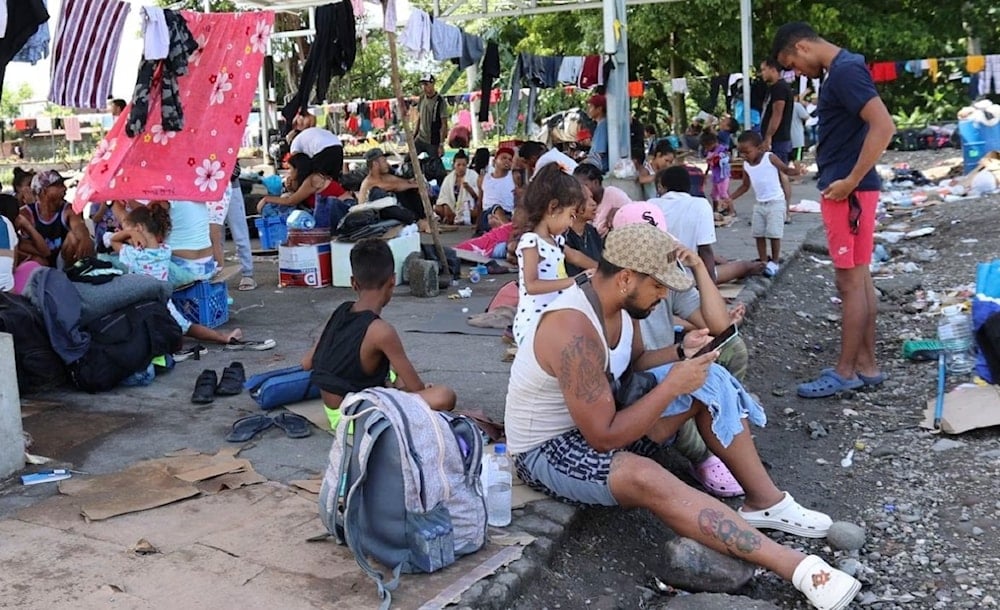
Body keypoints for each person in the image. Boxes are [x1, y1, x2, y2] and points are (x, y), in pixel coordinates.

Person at [504, 222, 861, 610]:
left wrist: (680, 353)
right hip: (546, 450)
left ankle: (765, 501)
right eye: (658, 286)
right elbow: (603, 438)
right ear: (626, 278)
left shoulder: (619, 303)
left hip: (598, 420)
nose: (663, 297)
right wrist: (672, 385)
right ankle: (797, 567)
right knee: (646, 476)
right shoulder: (571, 328)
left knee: (710, 380)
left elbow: (636, 362)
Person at [772, 21, 895, 398]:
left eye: (791, 63)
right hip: (851, 189)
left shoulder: (842, 73)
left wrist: (851, 180)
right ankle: (866, 365)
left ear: (803, 47)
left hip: (848, 193)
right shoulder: (844, 70)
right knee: (859, 279)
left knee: (849, 282)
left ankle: (846, 371)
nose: (795, 73)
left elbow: (884, 126)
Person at [611, 202, 748, 498]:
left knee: (731, 350)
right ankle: (703, 455)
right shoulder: (612, 292)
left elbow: (719, 327)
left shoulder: (666, 276)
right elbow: (631, 367)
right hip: (636, 384)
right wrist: (679, 357)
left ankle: (717, 429)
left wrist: (697, 266)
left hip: (662, 360)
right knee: (683, 385)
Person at [302, 238, 457, 431]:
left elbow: (307, 363)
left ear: (353, 283)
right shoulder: (381, 331)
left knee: (393, 374)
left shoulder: (341, 310)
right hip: (358, 418)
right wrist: (422, 391)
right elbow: (416, 387)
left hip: (333, 411)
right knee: (444, 395)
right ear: (392, 281)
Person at [110, 205, 242, 346]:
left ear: (139, 229)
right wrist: (132, 232)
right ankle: (222, 337)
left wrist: (129, 234)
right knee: (188, 327)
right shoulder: (165, 250)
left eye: (128, 232)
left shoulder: (135, 255)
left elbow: (113, 241)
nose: (128, 237)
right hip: (165, 303)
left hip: (143, 307)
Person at [512, 163, 597, 347]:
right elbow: (532, 285)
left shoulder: (555, 240)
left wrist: (600, 269)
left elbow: (575, 256)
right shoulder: (531, 242)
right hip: (534, 324)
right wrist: (576, 280)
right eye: (571, 215)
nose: (571, 222)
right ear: (553, 208)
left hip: (554, 319)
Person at [650, 167, 763, 284]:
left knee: (719, 261)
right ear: (688, 187)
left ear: (662, 186)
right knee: (741, 267)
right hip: (688, 279)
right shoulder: (700, 204)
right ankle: (758, 266)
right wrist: (711, 289)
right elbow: (705, 250)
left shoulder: (650, 205)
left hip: (655, 277)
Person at [730, 131, 801, 277]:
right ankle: (763, 261)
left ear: (759, 148)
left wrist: (797, 171)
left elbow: (785, 169)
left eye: (747, 152)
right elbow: (745, 186)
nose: (744, 156)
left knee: (774, 234)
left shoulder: (769, 158)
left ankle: (774, 262)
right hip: (760, 203)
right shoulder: (746, 165)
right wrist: (730, 198)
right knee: (758, 233)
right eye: (741, 153)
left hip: (776, 201)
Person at [18, 170, 94, 268]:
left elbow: (79, 227)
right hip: (41, 259)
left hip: (62, 259)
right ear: (44, 191)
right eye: (58, 185)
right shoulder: (25, 213)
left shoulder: (69, 209)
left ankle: (67, 274)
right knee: (23, 247)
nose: (64, 188)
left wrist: (85, 237)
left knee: (75, 237)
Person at [358, 149, 426, 228]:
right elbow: (395, 186)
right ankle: (417, 221)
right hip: (373, 216)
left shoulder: (385, 177)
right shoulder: (369, 182)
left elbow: (402, 182)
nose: (387, 164)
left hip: (386, 212)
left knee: (409, 191)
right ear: (375, 164)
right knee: (401, 192)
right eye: (384, 161)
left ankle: (422, 217)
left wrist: (414, 183)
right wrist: (414, 185)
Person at [574, 162, 632, 236]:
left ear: (596, 182)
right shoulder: (577, 201)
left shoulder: (613, 194)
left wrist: (619, 212)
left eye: (585, 185)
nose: (580, 189)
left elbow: (632, 212)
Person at [288, 109, 344, 181]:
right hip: (338, 147)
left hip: (324, 150)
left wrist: (294, 180)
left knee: (314, 179)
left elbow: (296, 165)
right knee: (332, 179)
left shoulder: (295, 142)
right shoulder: (310, 132)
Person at [759, 58, 794, 164]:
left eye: (764, 70)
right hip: (776, 139)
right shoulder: (773, 88)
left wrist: (769, 136)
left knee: (779, 172)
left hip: (778, 139)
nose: (762, 73)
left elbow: (777, 114)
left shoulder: (780, 88)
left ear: (773, 69)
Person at [475, 146, 516, 235]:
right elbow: (480, 202)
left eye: (510, 159)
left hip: (508, 214)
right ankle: (509, 231)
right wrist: (477, 225)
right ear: (494, 161)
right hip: (487, 213)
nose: (507, 161)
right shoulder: (483, 178)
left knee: (494, 220)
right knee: (495, 209)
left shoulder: (514, 178)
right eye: (503, 158)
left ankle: (502, 230)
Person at [564, 185, 602, 277]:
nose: (593, 203)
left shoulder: (592, 231)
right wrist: (602, 272)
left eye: (592, 198)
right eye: (586, 199)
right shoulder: (561, 234)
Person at [436, 149, 479, 225]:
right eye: (458, 165)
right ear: (454, 165)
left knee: (476, 211)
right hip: (451, 207)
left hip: (467, 207)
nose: (461, 167)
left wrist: (469, 188)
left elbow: (478, 196)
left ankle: (459, 219)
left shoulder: (473, 175)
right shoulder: (448, 178)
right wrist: (446, 206)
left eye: (464, 165)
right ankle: (450, 218)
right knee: (437, 208)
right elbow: (443, 196)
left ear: (467, 165)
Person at [414, 74, 448, 159]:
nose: (424, 87)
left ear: (433, 84)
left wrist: (441, 144)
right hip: (420, 138)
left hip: (433, 141)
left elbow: (444, 124)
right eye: (422, 85)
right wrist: (414, 135)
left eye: (426, 84)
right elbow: (419, 117)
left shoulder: (440, 101)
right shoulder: (422, 98)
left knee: (435, 166)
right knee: (409, 160)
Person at [700, 131, 734, 217]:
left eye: (708, 146)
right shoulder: (709, 152)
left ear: (714, 142)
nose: (707, 149)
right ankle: (715, 210)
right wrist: (706, 174)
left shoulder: (722, 150)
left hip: (723, 176)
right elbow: (709, 164)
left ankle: (731, 210)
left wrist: (719, 159)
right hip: (715, 176)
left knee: (723, 193)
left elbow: (728, 158)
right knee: (714, 194)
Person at [585, 94, 609, 173]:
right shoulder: (601, 125)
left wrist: (583, 164)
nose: (588, 110)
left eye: (591, 107)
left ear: (599, 109)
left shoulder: (603, 126)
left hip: (600, 170)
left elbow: (599, 154)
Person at [790, 94, 811, 174]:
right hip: (797, 136)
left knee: (789, 158)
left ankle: (790, 175)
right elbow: (806, 116)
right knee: (797, 158)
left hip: (787, 136)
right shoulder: (797, 105)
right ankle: (798, 178)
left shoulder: (784, 105)